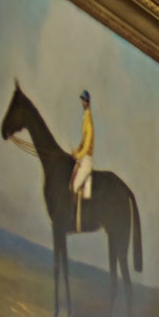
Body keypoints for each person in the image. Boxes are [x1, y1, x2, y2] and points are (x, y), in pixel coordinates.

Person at [70, 89, 93, 229]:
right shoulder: (85, 116)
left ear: (87, 102)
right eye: (82, 100)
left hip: (87, 159)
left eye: (84, 100)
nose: (82, 103)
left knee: (74, 185)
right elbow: (83, 141)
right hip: (83, 157)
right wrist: (76, 151)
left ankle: (76, 219)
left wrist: (78, 155)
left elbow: (88, 142)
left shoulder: (88, 118)